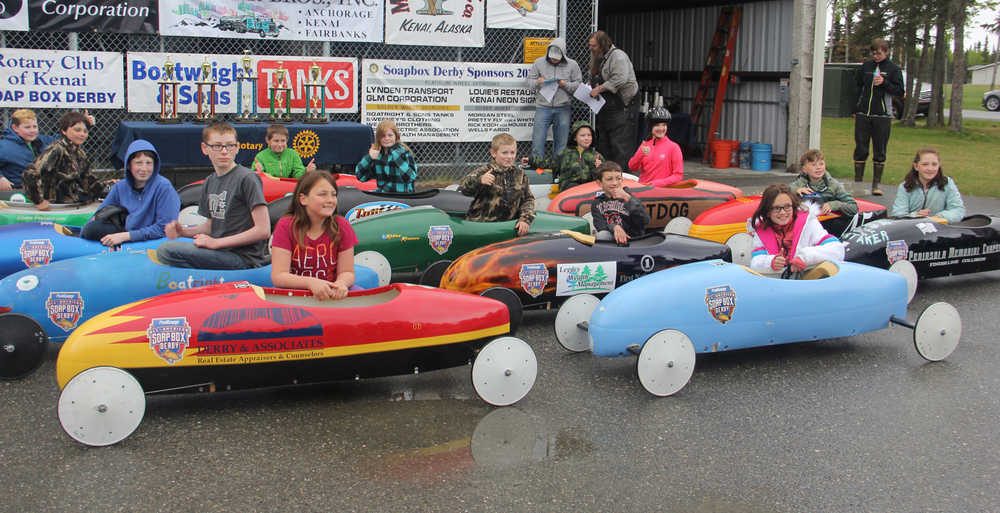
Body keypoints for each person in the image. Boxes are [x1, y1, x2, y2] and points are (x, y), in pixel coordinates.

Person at [157, 121, 270, 270]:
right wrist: (183, 232)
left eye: (229, 145)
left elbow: (263, 230)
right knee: (165, 247)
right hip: (220, 252)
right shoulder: (210, 181)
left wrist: (216, 243)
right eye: (217, 146)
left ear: (237, 148)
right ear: (205, 148)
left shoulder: (247, 178)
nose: (224, 151)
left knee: (167, 251)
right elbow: (211, 227)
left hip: (243, 258)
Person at [271, 171, 359, 300]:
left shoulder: (342, 225)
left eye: (333, 195)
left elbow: (347, 272)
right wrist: (310, 282)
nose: (330, 200)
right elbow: (279, 276)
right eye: (323, 194)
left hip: (332, 290)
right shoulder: (286, 226)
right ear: (303, 199)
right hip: (295, 293)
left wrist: (341, 283)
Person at [80, 139, 181, 247]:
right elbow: (99, 214)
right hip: (126, 228)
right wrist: (83, 232)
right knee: (91, 229)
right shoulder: (120, 187)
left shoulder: (164, 187)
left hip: (152, 237)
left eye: (148, 163)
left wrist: (125, 236)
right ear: (128, 165)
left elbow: (165, 228)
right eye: (138, 163)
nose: (144, 169)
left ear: (155, 165)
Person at [749, 183, 845, 274]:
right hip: (775, 283)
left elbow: (837, 249)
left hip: (806, 281)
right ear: (767, 211)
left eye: (787, 207)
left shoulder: (808, 223)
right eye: (776, 208)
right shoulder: (761, 229)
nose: (782, 213)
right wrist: (771, 262)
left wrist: (804, 258)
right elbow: (755, 261)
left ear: (793, 206)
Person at [21, 111, 104, 211]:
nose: (82, 134)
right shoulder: (57, 149)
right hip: (52, 207)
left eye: (85, 131)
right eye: (77, 130)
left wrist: (109, 189)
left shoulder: (79, 153)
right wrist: (39, 201)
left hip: (70, 203)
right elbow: (30, 174)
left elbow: (87, 180)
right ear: (64, 131)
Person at [853, 38, 904, 196]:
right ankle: (858, 183)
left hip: (882, 116)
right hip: (863, 114)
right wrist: (855, 108)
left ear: (887, 52)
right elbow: (857, 85)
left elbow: (900, 91)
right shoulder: (866, 66)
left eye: (879, 53)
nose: (876, 56)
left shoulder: (893, 69)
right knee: (861, 148)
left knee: (879, 149)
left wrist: (884, 82)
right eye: (874, 53)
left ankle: (876, 184)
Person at [458, 133, 534, 236]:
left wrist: (525, 219)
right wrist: (479, 181)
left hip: (508, 228)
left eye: (512, 153)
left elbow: (528, 199)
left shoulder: (520, 174)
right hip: (481, 228)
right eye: (504, 153)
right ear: (493, 153)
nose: (509, 157)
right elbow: (463, 188)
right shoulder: (485, 171)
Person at [587, 30, 639, 170]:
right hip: (608, 106)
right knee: (605, 141)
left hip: (623, 104)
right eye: (590, 45)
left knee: (620, 144)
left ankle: (622, 175)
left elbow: (620, 79)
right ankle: (606, 174)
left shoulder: (618, 57)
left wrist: (599, 89)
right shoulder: (600, 57)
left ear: (603, 45)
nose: (591, 48)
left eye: (594, 46)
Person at [527, 37, 583, 160]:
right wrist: (538, 81)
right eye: (551, 57)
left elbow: (579, 85)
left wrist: (565, 84)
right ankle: (538, 169)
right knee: (538, 140)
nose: (553, 59)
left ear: (563, 55)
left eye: (556, 58)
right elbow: (529, 82)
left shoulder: (572, 65)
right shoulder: (538, 62)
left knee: (561, 143)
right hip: (543, 107)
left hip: (563, 107)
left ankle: (558, 170)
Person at [522, 120, 603, 192]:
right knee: (573, 187)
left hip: (588, 190)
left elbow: (605, 175)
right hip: (569, 190)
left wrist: (599, 168)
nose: (587, 138)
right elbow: (548, 163)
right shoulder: (565, 153)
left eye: (589, 135)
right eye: (582, 135)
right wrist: (531, 160)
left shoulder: (596, 156)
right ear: (575, 138)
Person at [890, 147, 965, 224]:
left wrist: (938, 217)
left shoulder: (947, 183)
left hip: (940, 229)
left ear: (939, 166)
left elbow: (958, 211)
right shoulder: (905, 186)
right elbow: (897, 215)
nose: (930, 168)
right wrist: (915, 216)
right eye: (925, 164)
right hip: (912, 230)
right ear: (916, 166)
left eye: (934, 164)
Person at [590, 161, 650, 245]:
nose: (615, 183)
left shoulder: (630, 197)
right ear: (599, 183)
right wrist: (614, 227)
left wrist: (628, 199)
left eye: (618, 178)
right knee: (602, 235)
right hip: (612, 241)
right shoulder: (597, 203)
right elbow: (600, 226)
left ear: (622, 179)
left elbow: (644, 221)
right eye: (609, 179)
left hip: (634, 241)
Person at [354, 119, 419, 193]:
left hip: (403, 195)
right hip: (383, 195)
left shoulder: (404, 152)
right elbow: (361, 177)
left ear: (396, 136)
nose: (387, 138)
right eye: (383, 136)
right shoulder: (377, 154)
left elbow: (410, 178)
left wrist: (396, 154)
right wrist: (369, 157)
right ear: (378, 138)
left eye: (390, 135)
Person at [788, 149, 858, 216]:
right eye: (813, 165)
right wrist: (796, 190)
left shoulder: (833, 185)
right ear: (804, 169)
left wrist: (834, 205)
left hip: (827, 223)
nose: (818, 167)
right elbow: (784, 191)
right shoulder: (800, 183)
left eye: (821, 164)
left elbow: (854, 207)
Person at [0, 109, 58, 191]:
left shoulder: (40, 141)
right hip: (16, 193)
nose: (32, 130)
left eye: (35, 126)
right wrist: (1, 178)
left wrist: (83, 120)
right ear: (15, 128)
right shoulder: (4, 146)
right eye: (27, 127)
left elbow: (61, 139)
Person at [627, 107, 683, 187]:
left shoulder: (674, 147)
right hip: (643, 190)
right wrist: (641, 154)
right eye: (657, 125)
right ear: (650, 127)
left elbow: (678, 176)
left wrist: (655, 184)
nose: (661, 128)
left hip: (662, 193)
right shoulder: (645, 145)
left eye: (664, 125)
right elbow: (632, 167)